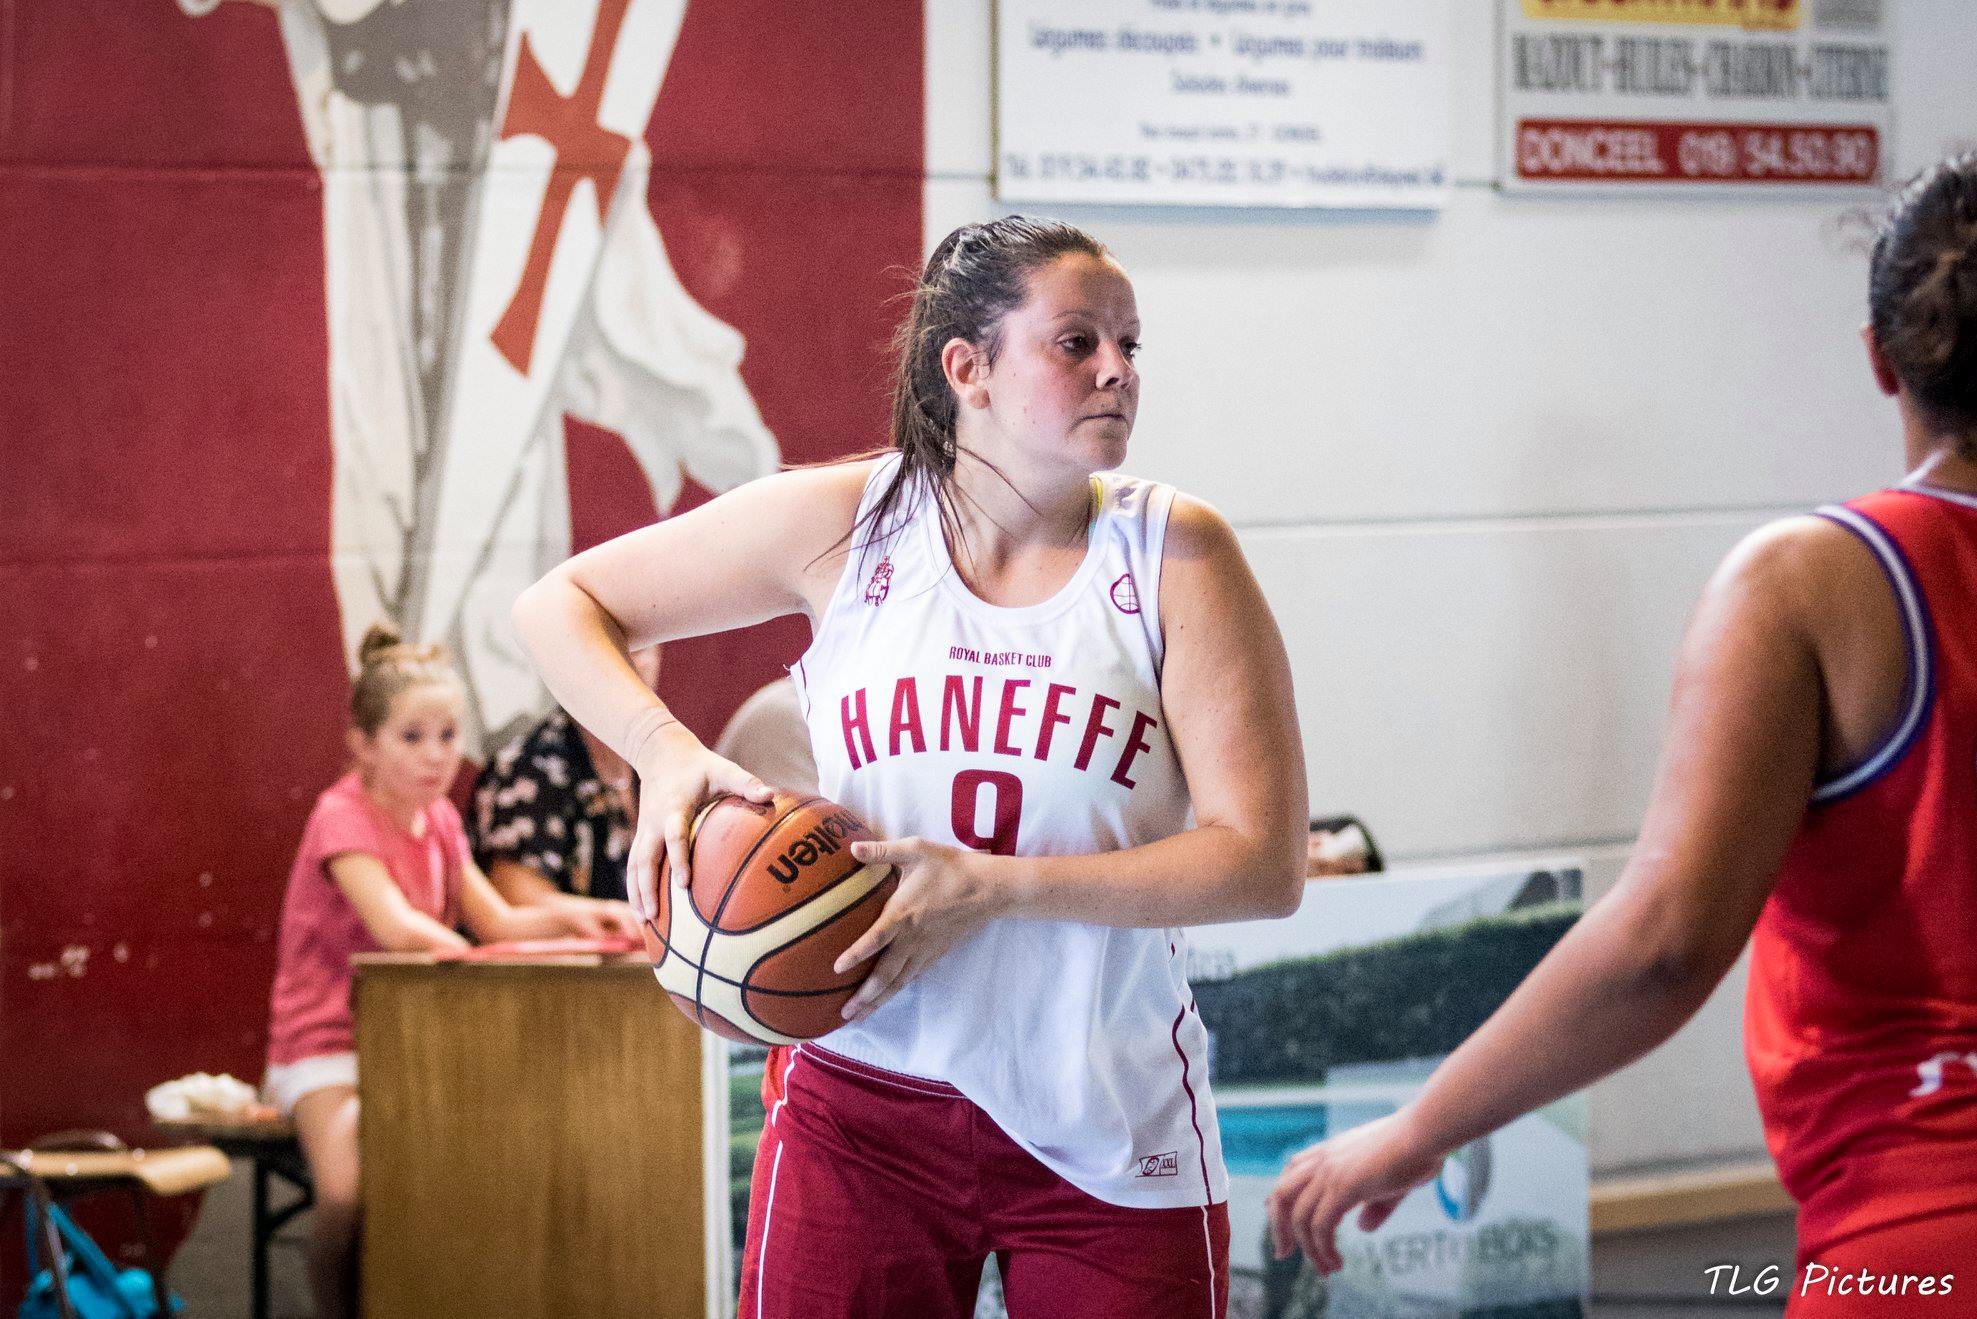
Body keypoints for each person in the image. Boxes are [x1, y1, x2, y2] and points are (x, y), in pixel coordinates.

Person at [514, 216, 1309, 1318]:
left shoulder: (1178, 552)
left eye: (1129, 344)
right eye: (1076, 341)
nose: (1118, 370)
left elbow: (1262, 862)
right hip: (862, 1099)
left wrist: (996, 887)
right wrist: (663, 753)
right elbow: (557, 605)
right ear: (968, 368)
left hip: (1108, 1114)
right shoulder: (846, 523)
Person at [1267, 154, 1977, 1315]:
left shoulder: (1815, 581)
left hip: (1925, 1226)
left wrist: (1417, 1127)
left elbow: (1664, 942)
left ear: (1880, 357)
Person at [263, 625, 600, 1319]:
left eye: (448, 735)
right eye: (412, 736)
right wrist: (475, 963)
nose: (436, 754)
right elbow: (398, 929)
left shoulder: (442, 818)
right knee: (346, 1194)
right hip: (326, 1045)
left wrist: (589, 916)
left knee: (478, 1169)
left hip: (417, 1041)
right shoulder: (340, 816)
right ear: (363, 744)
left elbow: (499, 920)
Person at [470, 646, 661, 934]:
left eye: (643, 647)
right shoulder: (535, 763)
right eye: (613, 644)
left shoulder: (652, 758)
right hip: (557, 961)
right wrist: (616, 916)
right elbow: (515, 895)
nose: (635, 661)